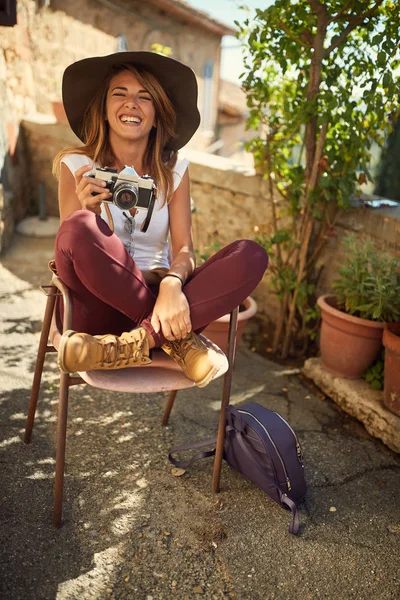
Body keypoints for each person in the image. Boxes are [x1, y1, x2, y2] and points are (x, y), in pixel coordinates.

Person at [53, 51, 268, 388]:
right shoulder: (77, 165)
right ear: (104, 111)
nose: (131, 104)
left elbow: (184, 249)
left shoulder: (174, 173)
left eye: (145, 97)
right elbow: (73, 248)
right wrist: (90, 212)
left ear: (156, 117)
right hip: (97, 309)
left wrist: (171, 283)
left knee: (251, 254)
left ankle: (130, 345)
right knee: (78, 227)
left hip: (165, 304)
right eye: (119, 94)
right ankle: (178, 343)